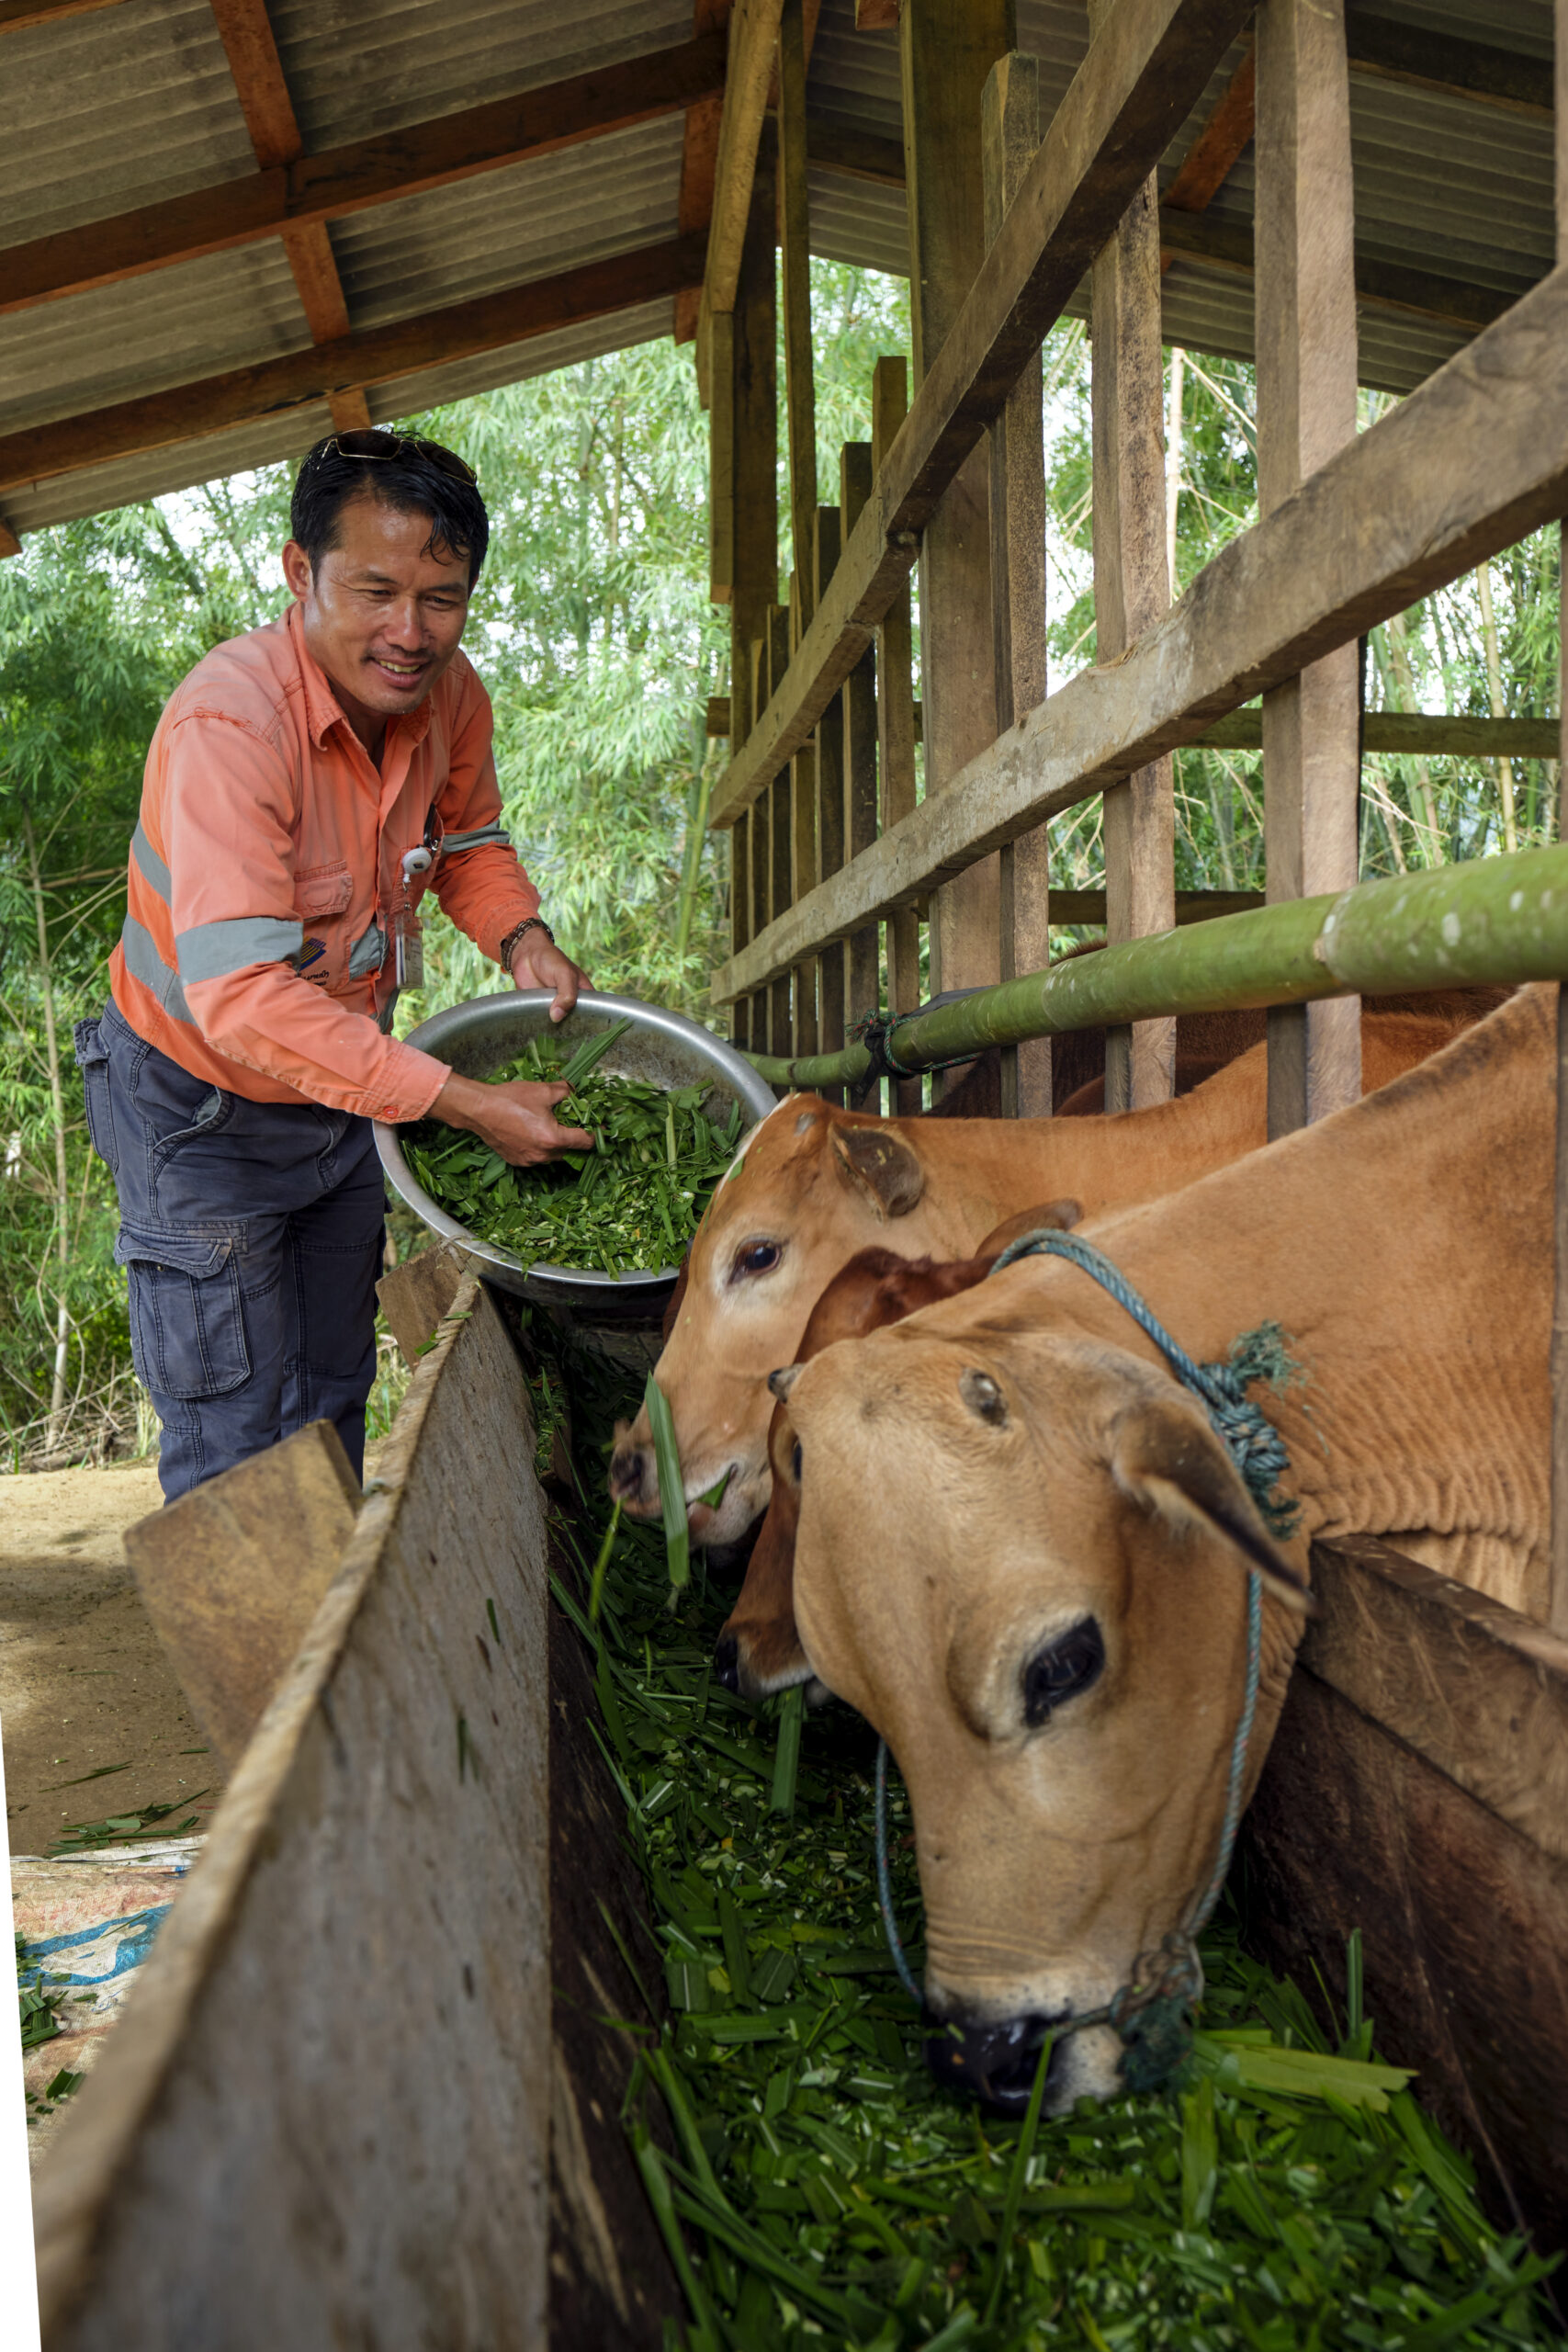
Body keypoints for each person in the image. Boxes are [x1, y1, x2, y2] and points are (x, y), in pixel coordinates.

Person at [75, 428, 592, 1502]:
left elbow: (468, 842)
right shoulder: (231, 725)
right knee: (235, 1435)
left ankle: (334, 1611)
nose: (410, 633)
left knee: (330, 1388)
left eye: (442, 599)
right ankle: (259, 1621)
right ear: (300, 572)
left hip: (341, 1091)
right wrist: (463, 1103)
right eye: (376, 592)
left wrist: (522, 939)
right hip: (195, 1104)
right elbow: (242, 999)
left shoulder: (451, 696)